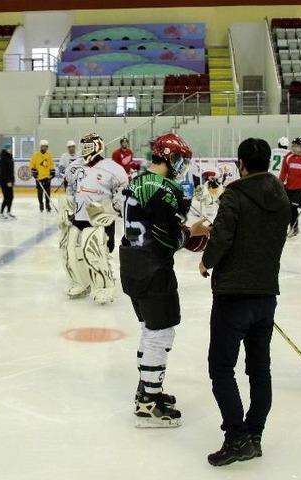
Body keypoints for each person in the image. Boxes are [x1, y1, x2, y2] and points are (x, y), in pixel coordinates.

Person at [198, 138, 290, 467]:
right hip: (266, 295)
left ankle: (237, 437)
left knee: (221, 367)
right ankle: (255, 435)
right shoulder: (280, 195)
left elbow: (222, 237)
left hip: (233, 295)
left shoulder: (234, 195)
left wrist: (206, 261)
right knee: (259, 369)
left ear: (241, 163)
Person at [120, 132, 209, 428]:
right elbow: (169, 237)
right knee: (160, 333)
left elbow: (153, 225)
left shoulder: (137, 182)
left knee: (150, 329)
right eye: (180, 159)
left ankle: (147, 390)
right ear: (169, 156)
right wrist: (194, 232)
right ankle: (148, 404)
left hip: (132, 264)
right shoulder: (164, 188)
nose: (182, 165)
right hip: (153, 268)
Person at [59, 133, 128, 304]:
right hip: (78, 217)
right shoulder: (75, 166)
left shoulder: (112, 168)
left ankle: (105, 286)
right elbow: (70, 187)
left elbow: (122, 190)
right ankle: (80, 282)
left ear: (98, 147)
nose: (85, 151)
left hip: (99, 218)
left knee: (94, 252)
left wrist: (115, 209)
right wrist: (67, 203)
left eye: (89, 147)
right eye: (83, 147)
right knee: (69, 251)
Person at [29, 139, 55, 212]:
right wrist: (34, 172)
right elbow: (32, 164)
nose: (45, 148)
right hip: (39, 177)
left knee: (47, 191)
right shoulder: (36, 155)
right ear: (41, 147)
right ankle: (41, 204)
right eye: (43, 146)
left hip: (47, 176)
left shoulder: (49, 155)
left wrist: (52, 171)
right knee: (40, 192)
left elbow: (51, 164)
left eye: (46, 147)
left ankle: (47, 204)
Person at [0, 143, 16, 219]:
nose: (10, 150)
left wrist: (12, 180)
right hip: (4, 181)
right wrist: (8, 181)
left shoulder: (10, 158)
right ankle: (1, 213)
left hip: (9, 181)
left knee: (11, 197)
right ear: (5, 149)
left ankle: (8, 211)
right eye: (9, 149)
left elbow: (11, 171)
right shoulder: (3, 159)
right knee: (6, 197)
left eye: (11, 148)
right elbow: (4, 172)